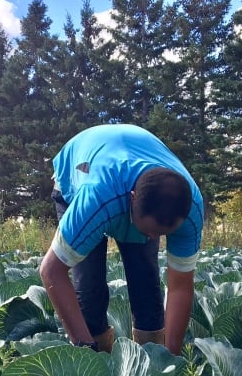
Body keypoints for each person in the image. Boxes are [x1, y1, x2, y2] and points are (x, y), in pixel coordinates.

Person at [39, 124, 204, 355]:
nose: (153, 237)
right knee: (88, 286)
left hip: (127, 171)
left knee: (146, 281)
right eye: (148, 230)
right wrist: (85, 350)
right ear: (133, 199)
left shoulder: (190, 210)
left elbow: (180, 287)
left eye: (161, 234)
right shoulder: (95, 200)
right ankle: (97, 357)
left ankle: (152, 356)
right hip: (79, 170)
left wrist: (170, 358)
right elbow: (51, 271)